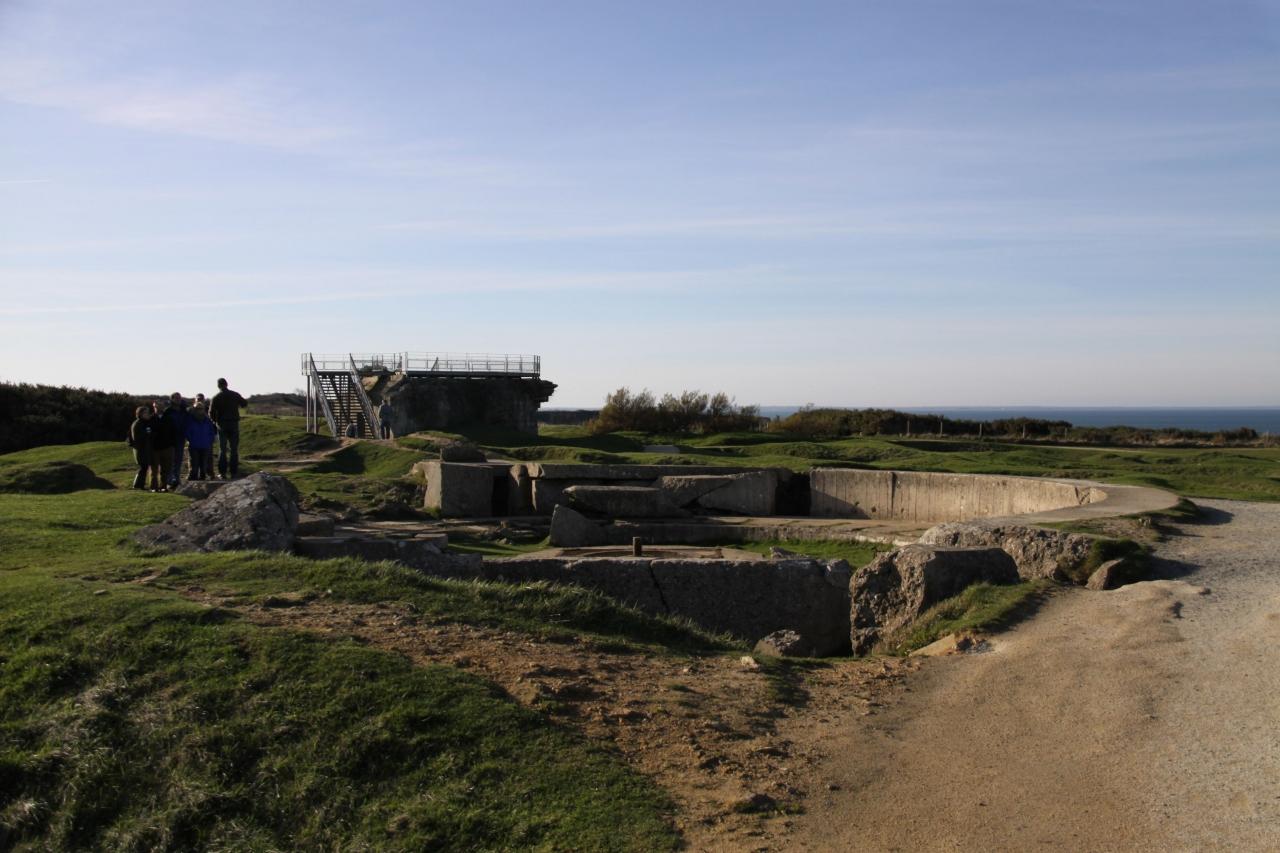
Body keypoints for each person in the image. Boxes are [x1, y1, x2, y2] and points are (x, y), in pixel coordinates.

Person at [209, 377, 247, 479]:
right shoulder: (235, 394)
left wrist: (215, 421)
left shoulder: (216, 397)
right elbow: (244, 403)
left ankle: (222, 473)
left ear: (218, 386)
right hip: (234, 423)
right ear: (227, 384)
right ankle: (233, 472)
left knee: (222, 449)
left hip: (222, 424)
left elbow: (211, 412)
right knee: (234, 449)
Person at [161, 392, 188, 487]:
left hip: (181, 438)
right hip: (171, 439)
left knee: (179, 460)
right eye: (176, 398)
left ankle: (176, 478)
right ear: (171, 399)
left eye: (179, 398)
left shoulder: (184, 410)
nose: (178, 399)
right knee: (171, 461)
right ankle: (169, 480)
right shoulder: (168, 411)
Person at [184, 403, 217, 480]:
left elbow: (212, 432)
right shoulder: (190, 420)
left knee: (203, 465)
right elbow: (187, 432)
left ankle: (203, 477)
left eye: (201, 409)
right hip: (194, 445)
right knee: (194, 464)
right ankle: (193, 478)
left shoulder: (207, 420)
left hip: (205, 445)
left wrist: (209, 441)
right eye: (197, 409)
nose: (199, 410)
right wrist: (191, 440)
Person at [127, 405, 157, 490]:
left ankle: (140, 485)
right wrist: (148, 433)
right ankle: (137, 485)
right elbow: (137, 438)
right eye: (146, 413)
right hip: (141, 450)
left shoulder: (142, 422)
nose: (148, 414)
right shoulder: (138, 424)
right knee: (143, 468)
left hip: (143, 450)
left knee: (144, 467)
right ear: (141, 414)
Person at [150, 401, 175, 490]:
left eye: (160, 406)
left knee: (165, 469)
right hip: (155, 448)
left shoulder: (168, 418)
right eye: (156, 406)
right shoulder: (151, 419)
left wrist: (172, 444)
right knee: (154, 470)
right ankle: (154, 487)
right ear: (154, 407)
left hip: (167, 447)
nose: (158, 408)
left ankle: (163, 486)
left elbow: (173, 432)